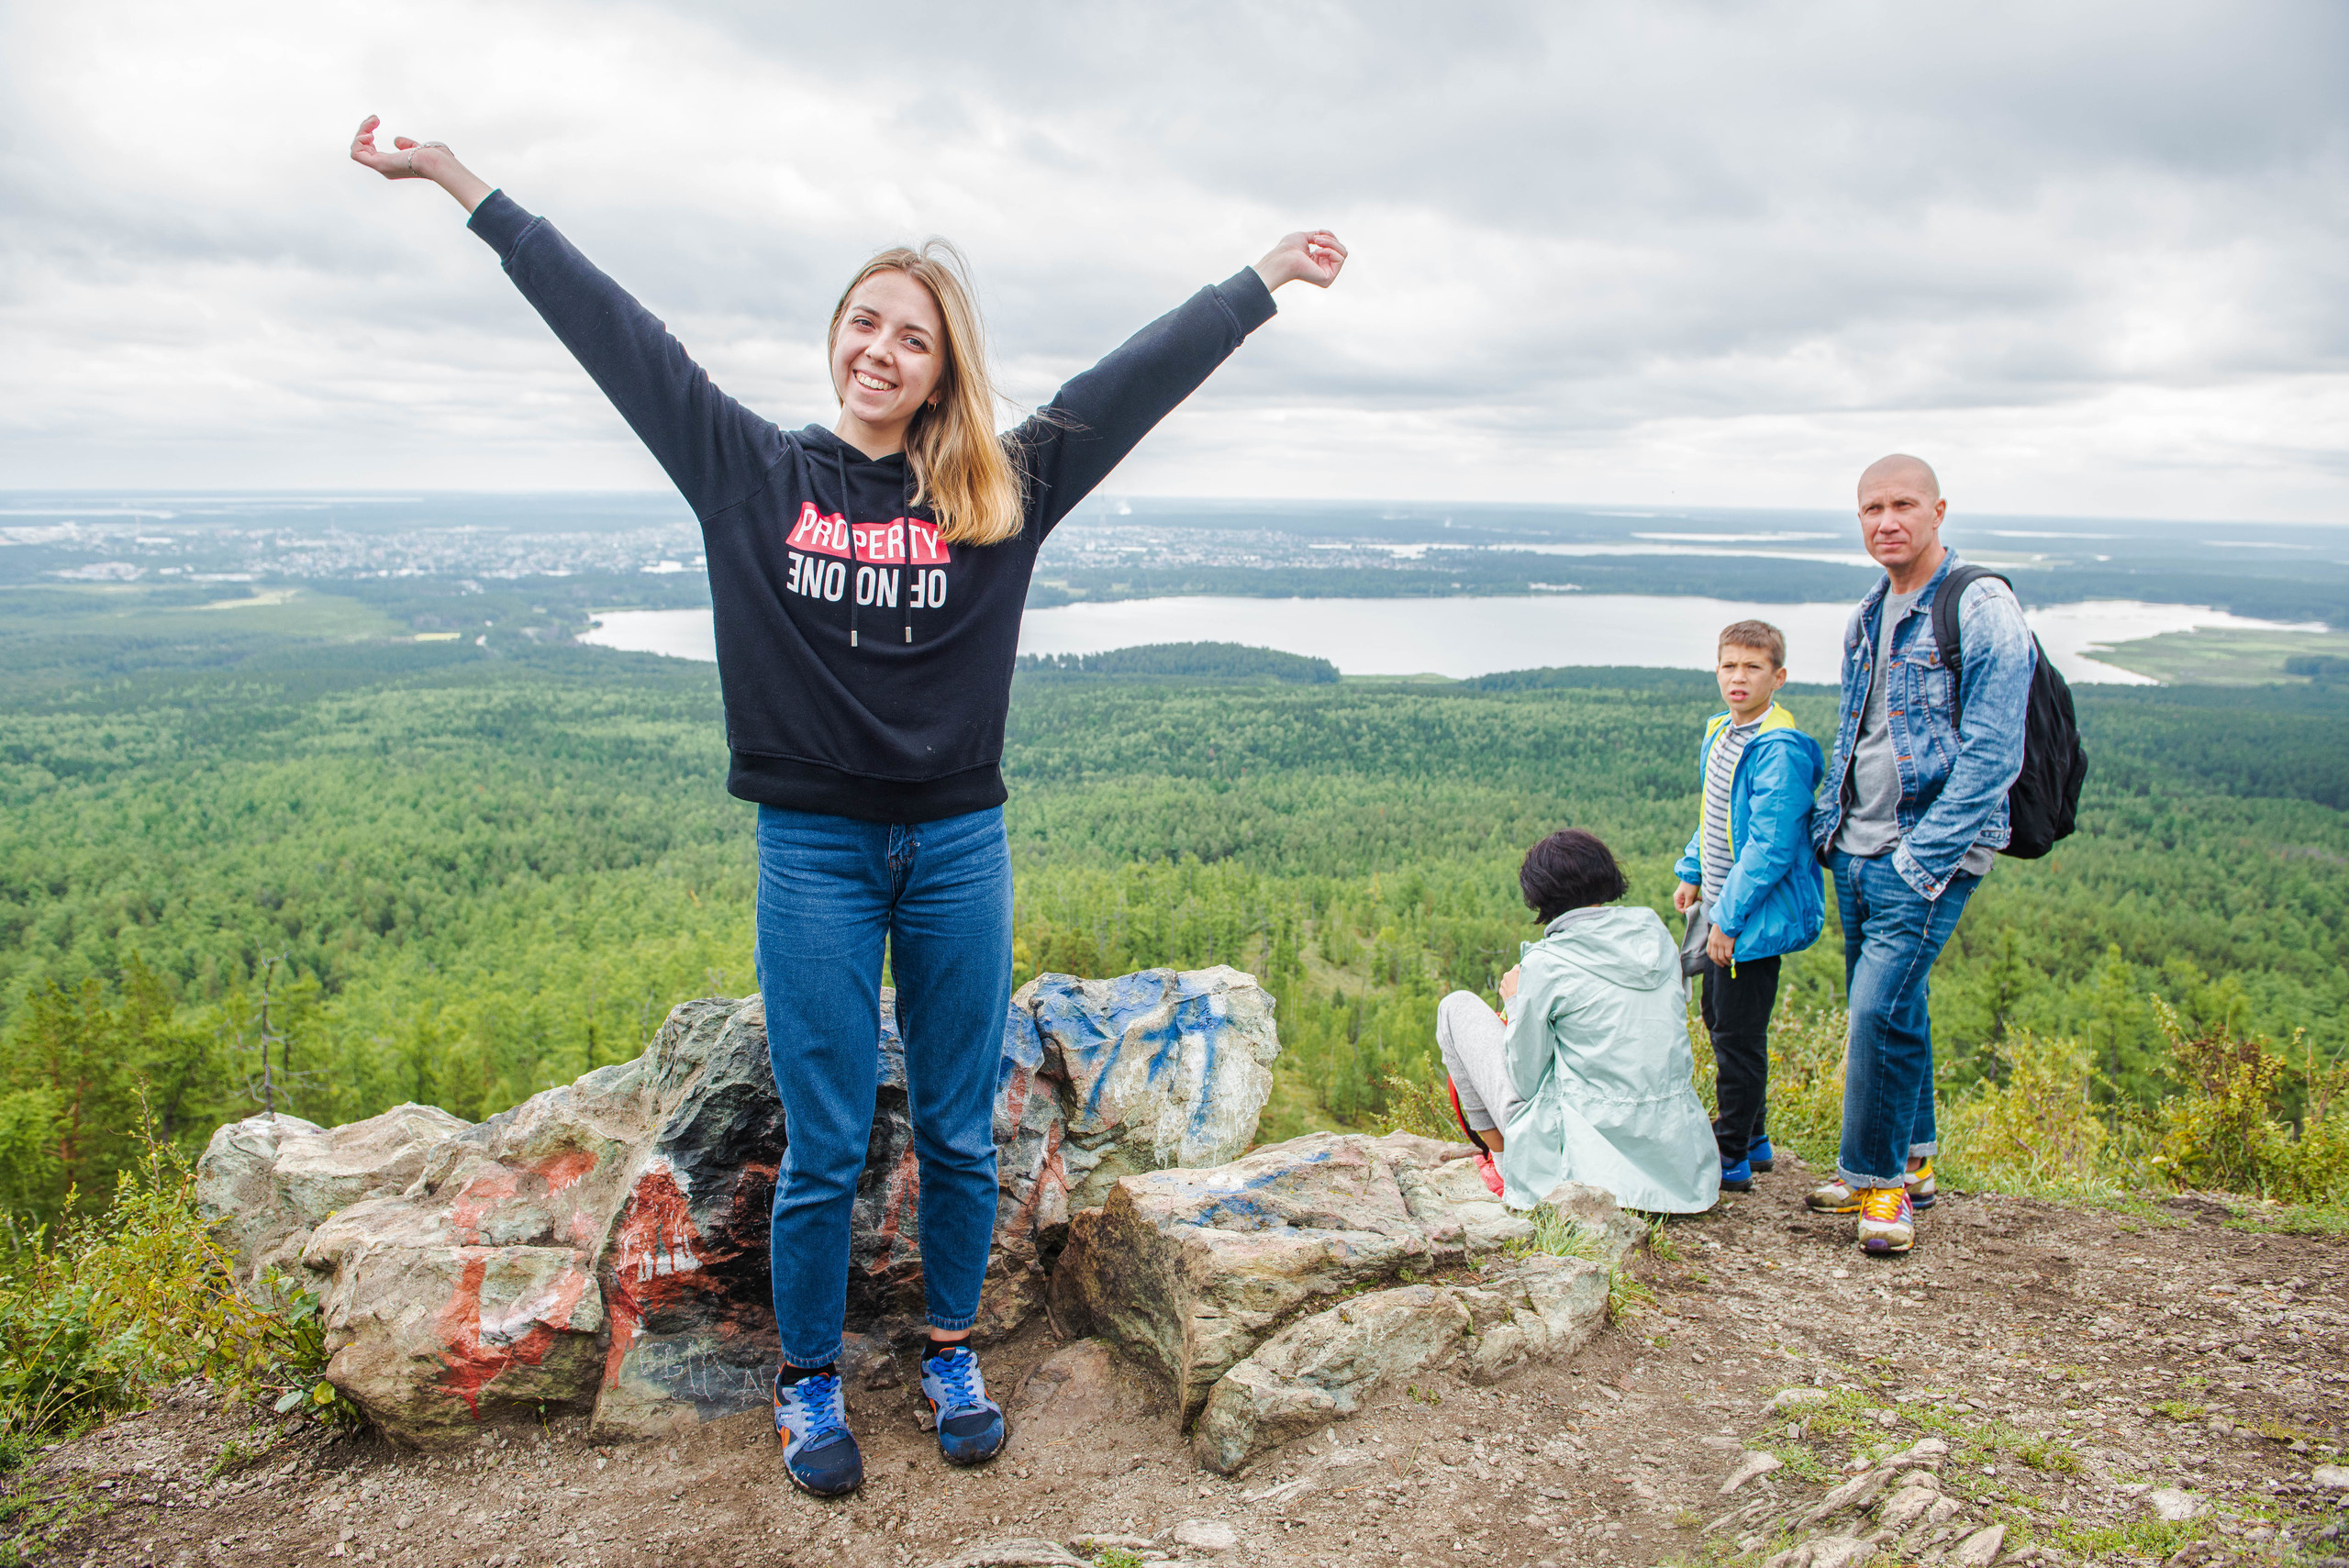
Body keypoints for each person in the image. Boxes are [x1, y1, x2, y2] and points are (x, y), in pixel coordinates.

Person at [349, 117, 1347, 1495]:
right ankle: (808, 1386)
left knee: (953, 1126)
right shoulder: (751, 473)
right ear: (837, 335)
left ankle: (949, 1350)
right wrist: (465, 184)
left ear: (944, 371)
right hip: (813, 850)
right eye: (863, 323)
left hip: (955, 846)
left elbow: (1136, 379)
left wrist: (1263, 277)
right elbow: (612, 327)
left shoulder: (999, 490)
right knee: (823, 1139)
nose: (880, 350)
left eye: (912, 338)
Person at [1809, 455, 2032, 1255]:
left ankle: (1879, 1186)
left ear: (1939, 510)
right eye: (1871, 508)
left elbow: (1995, 751)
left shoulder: (1981, 605)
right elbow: (1854, 731)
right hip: (1857, 845)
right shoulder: (1869, 614)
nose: (1885, 521)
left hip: (1924, 854)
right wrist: (1829, 830)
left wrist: (1920, 856)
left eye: (1902, 505)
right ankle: (1914, 1156)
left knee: (1876, 1010)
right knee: (1896, 1006)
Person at [1435, 829, 1720, 1215]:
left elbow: (1526, 1080)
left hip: (1586, 1167)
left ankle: (1505, 1169)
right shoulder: (1656, 937)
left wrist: (1517, 1002)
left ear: (1539, 895)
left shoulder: (1548, 963)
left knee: (1455, 1008)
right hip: (1679, 1170)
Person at [1672, 621, 1824, 1195]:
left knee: (1737, 1032)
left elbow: (1771, 846)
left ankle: (1730, 1153)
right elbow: (1716, 816)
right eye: (1729, 665)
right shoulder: (1723, 732)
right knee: (1721, 1019)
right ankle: (1753, 1137)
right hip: (1723, 906)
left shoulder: (1778, 750)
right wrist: (1693, 872)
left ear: (1778, 677)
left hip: (1748, 917)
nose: (1739, 677)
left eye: (1753, 667)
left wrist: (1726, 920)